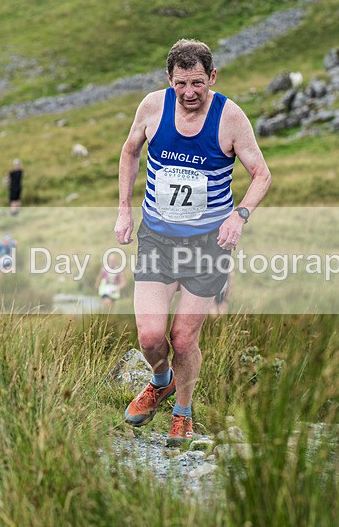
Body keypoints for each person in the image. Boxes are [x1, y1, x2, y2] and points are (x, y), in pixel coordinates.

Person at [114, 39, 272, 447]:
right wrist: (124, 210)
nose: (189, 92)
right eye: (181, 83)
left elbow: (262, 175)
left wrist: (240, 215)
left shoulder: (230, 117)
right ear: (169, 79)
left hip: (208, 245)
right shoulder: (152, 107)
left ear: (212, 78)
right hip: (157, 240)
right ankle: (160, 382)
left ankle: (182, 413)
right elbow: (130, 151)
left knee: (184, 339)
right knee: (150, 337)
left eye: (198, 83)